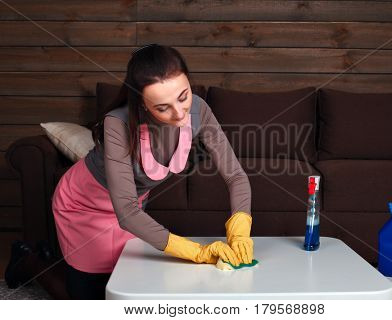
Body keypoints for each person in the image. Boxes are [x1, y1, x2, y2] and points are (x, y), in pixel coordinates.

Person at [51, 44, 253, 299]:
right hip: (83, 206)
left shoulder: (199, 109)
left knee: (128, 289)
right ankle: (31, 264)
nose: (180, 113)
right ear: (143, 104)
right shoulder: (118, 123)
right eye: (162, 107)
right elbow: (126, 213)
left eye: (183, 96)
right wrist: (196, 252)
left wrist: (240, 229)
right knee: (90, 295)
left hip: (133, 206)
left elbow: (235, 175)